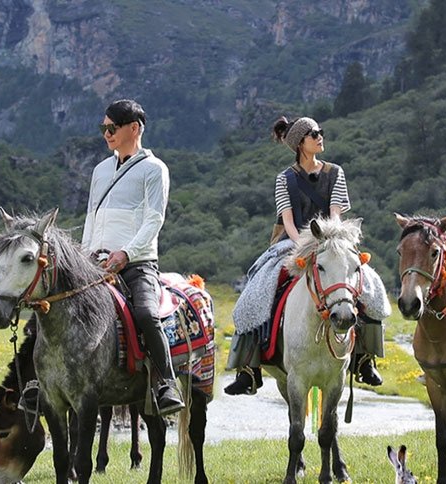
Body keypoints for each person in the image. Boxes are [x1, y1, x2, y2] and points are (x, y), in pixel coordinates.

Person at [224, 116, 390, 396]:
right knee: (258, 288)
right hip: (293, 242)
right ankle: (248, 368)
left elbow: (336, 214)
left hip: (332, 240)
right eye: (314, 133)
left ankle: (365, 358)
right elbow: (288, 221)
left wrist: (327, 241)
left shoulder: (336, 172)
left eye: (320, 132)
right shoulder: (284, 179)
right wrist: (304, 243)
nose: (320, 136)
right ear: (301, 142)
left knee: (370, 284)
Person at [81, 99, 184, 416]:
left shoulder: (154, 169)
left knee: (146, 315)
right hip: (95, 264)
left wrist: (126, 253)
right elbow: (90, 218)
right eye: (103, 128)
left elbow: (154, 219)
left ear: (134, 128)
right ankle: (36, 384)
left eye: (112, 127)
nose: (106, 134)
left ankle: (166, 383)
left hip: (137, 264)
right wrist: (83, 257)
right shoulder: (100, 170)